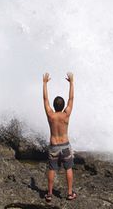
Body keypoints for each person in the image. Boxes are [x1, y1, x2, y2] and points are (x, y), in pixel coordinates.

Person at [43, 71, 75, 202]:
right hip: (65, 145)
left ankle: (50, 194)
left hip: (54, 146)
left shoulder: (50, 115)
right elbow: (71, 99)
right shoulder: (66, 114)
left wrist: (44, 83)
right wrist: (71, 83)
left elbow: (45, 100)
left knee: (52, 169)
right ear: (63, 106)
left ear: (54, 105)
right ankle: (69, 193)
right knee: (68, 168)